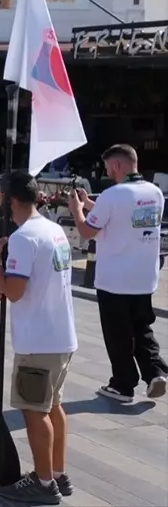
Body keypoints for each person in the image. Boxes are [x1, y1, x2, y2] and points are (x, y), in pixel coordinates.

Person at [0, 170, 78, 503]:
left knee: (34, 411)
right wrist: (8, 282)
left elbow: (14, 291)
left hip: (37, 340)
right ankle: (56, 473)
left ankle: (43, 484)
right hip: (61, 336)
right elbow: (31, 284)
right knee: (53, 406)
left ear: (9, 200)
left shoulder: (23, 238)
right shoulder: (53, 229)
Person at [68, 143, 167, 402]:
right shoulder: (154, 193)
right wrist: (90, 203)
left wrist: (78, 210)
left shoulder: (114, 195)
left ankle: (123, 384)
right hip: (144, 277)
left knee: (118, 333)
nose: (107, 173)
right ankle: (154, 371)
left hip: (115, 279)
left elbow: (88, 230)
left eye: (108, 168)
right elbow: (124, 217)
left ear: (117, 165)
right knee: (141, 327)